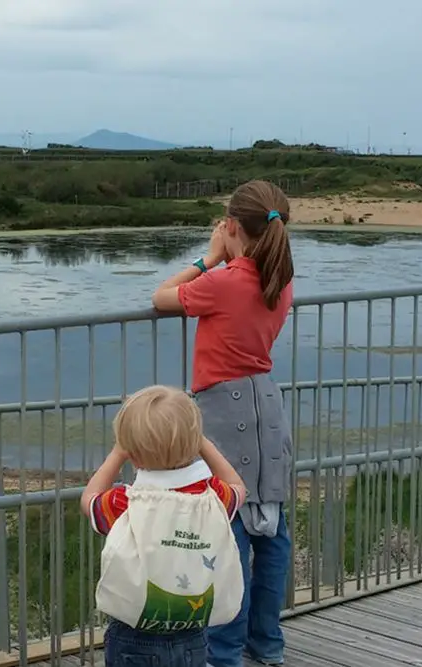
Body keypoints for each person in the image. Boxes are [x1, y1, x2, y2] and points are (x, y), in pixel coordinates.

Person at [151, 179, 295, 667]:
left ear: (232, 226)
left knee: (226, 531)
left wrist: (209, 256)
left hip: (223, 413)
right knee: (271, 530)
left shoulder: (226, 280)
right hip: (268, 407)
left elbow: (162, 297)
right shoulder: (283, 279)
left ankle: (225, 652)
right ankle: (267, 644)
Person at [81, 385, 247, 667]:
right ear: (194, 443)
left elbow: (89, 500)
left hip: (132, 635)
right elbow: (238, 487)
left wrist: (117, 453)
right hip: (192, 635)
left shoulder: (126, 503)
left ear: (132, 453)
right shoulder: (213, 498)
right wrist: (204, 444)